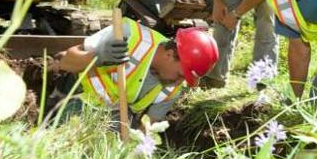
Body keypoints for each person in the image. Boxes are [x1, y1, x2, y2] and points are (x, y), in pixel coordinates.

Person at [50, 17, 219, 123]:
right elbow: (66, 61)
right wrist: (97, 58)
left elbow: (148, 129)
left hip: (114, 117)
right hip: (79, 98)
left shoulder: (171, 90)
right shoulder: (128, 35)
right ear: (169, 54)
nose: (179, 82)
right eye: (181, 75)